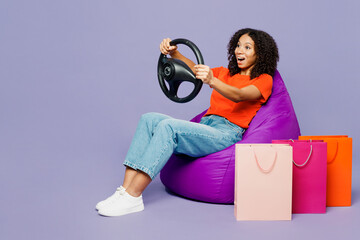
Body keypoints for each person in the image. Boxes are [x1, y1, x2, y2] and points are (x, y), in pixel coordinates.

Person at [96, 28, 279, 217]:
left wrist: (212, 81)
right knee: (149, 119)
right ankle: (124, 192)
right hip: (207, 126)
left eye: (247, 47)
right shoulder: (225, 73)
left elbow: (240, 95)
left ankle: (134, 196)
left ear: (261, 53)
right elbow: (194, 70)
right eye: (238, 45)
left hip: (227, 133)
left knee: (169, 127)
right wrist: (174, 53)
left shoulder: (264, 80)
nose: (239, 50)